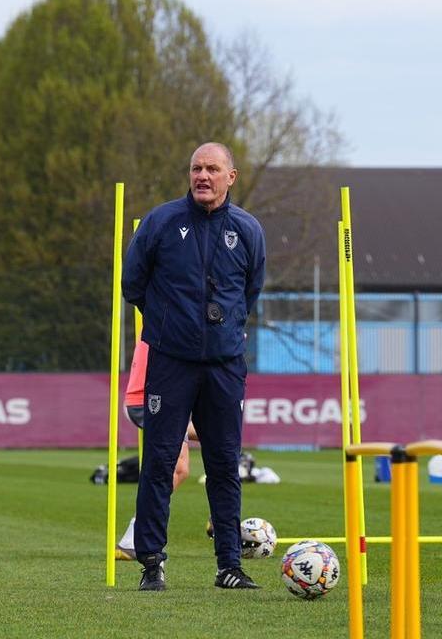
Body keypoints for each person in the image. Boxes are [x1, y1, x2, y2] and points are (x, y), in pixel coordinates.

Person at [122, 141, 266, 592]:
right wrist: (169, 326)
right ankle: (151, 563)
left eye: (212, 169)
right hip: (170, 362)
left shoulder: (247, 230)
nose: (202, 176)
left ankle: (229, 565)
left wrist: (222, 332)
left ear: (231, 177)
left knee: (224, 464)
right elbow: (133, 284)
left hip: (224, 367)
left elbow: (251, 291)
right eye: (196, 168)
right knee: (160, 462)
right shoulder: (161, 223)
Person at [115, 339, 198, 560]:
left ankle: (219, 522)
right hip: (150, 398)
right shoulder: (171, 313)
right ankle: (134, 537)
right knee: (178, 469)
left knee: (217, 435)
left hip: (164, 394)